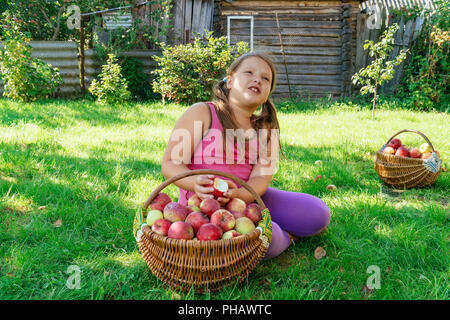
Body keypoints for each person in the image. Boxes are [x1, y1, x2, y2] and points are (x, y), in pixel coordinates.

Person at [161, 51, 330, 259]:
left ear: (268, 91)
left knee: (318, 213)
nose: (257, 79)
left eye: (265, 78)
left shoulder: (266, 130)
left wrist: (240, 195)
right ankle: (287, 236)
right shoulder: (202, 113)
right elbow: (170, 163)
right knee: (263, 240)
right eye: (249, 72)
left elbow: (260, 179)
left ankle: (281, 226)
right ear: (230, 81)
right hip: (202, 208)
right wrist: (194, 182)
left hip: (246, 199)